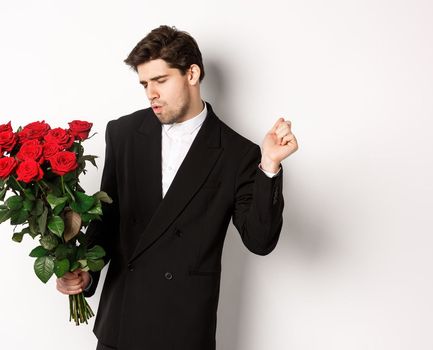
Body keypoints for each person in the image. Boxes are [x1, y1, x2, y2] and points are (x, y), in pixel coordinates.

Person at [55, 25, 298, 350]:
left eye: (160, 81)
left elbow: (260, 241)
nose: (151, 93)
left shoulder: (238, 153)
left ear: (192, 74)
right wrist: (86, 272)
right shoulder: (124, 133)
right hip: (122, 323)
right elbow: (107, 221)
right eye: (145, 84)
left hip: (183, 328)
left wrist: (269, 166)